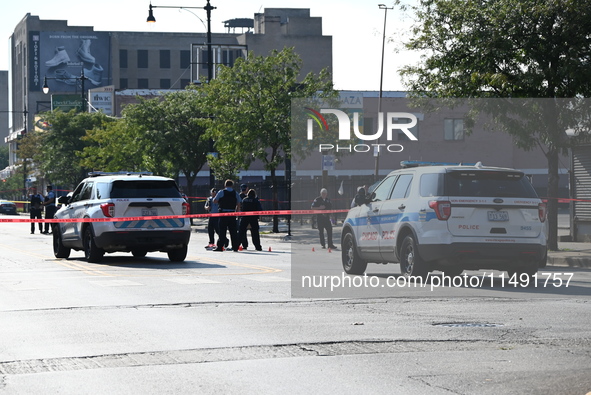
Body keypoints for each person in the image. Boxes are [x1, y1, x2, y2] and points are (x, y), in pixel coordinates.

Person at [213, 180, 241, 252]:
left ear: (225, 185)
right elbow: (239, 203)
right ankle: (235, 247)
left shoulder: (221, 192)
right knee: (233, 231)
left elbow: (215, 201)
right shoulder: (235, 193)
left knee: (222, 231)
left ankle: (220, 246)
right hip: (232, 214)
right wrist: (237, 212)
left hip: (223, 214)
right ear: (232, 185)